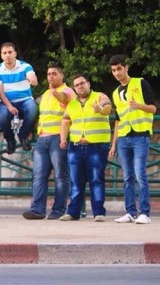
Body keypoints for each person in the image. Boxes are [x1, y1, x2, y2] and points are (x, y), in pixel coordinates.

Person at [23, 64, 75, 220]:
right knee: (38, 175)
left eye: (54, 74)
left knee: (61, 176)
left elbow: (65, 100)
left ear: (62, 75)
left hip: (58, 138)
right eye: (48, 74)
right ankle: (37, 209)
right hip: (42, 139)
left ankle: (58, 210)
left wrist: (56, 93)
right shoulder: (46, 94)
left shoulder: (67, 91)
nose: (51, 76)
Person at [108, 55, 156, 225]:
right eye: (114, 70)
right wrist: (113, 144)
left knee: (140, 174)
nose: (117, 73)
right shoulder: (115, 93)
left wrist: (139, 106)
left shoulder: (140, 83)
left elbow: (153, 108)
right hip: (123, 138)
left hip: (140, 135)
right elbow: (118, 120)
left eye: (119, 69)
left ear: (126, 67)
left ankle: (144, 212)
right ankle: (130, 212)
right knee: (127, 176)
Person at [59, 74, 112, 222]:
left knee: (96, 180)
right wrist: (63, 139)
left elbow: (108, 108)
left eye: (82, 83)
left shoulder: (99, 96)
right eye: (77, 85)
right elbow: (65, 121)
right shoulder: (72, 103)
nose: (80, 86)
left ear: (88, 83)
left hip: (96, 146)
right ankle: (73, 212)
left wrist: (100, 109)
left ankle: (99, 213)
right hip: (75, 146)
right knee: (75, 181)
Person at [0, 42, 38, 154]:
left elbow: (33, 78)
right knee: (2, 116)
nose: (7, 55)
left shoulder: (25, 66)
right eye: (5, 53)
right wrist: (9, 106)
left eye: (10, 52)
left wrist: (32, 80)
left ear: (15, 54)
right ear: (1, 55)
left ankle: (23, 135)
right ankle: (10, 139)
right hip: (5, 102)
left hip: (24, 100)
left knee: (33, 108)